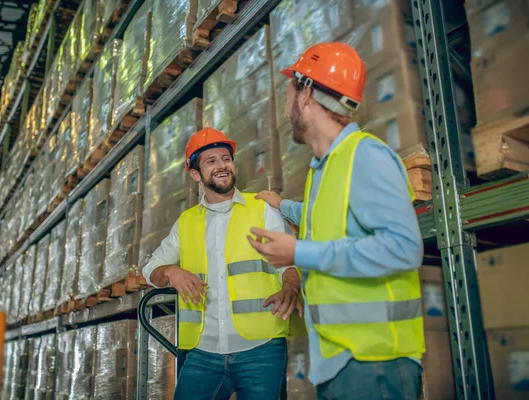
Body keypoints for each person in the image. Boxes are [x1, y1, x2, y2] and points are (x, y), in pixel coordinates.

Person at [248, 42, 426, 400]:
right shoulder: (325, 170)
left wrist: (299, 252)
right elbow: (324, 219)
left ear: (306, 94)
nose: (286, 107)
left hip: (374, 361)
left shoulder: (366, 155)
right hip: (340, 361)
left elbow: (404, 248)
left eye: (289, 92)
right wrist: (283, 205)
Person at [142, 127, 303, 400]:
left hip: (261, 349)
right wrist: (171, 271)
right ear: (196, 174)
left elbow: (289, 261)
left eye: (226, 158)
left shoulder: (261, 207)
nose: (222, 165)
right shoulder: (186, 222)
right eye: (211, 161)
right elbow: (150, 271)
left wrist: (290, 286)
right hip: (202, 353)